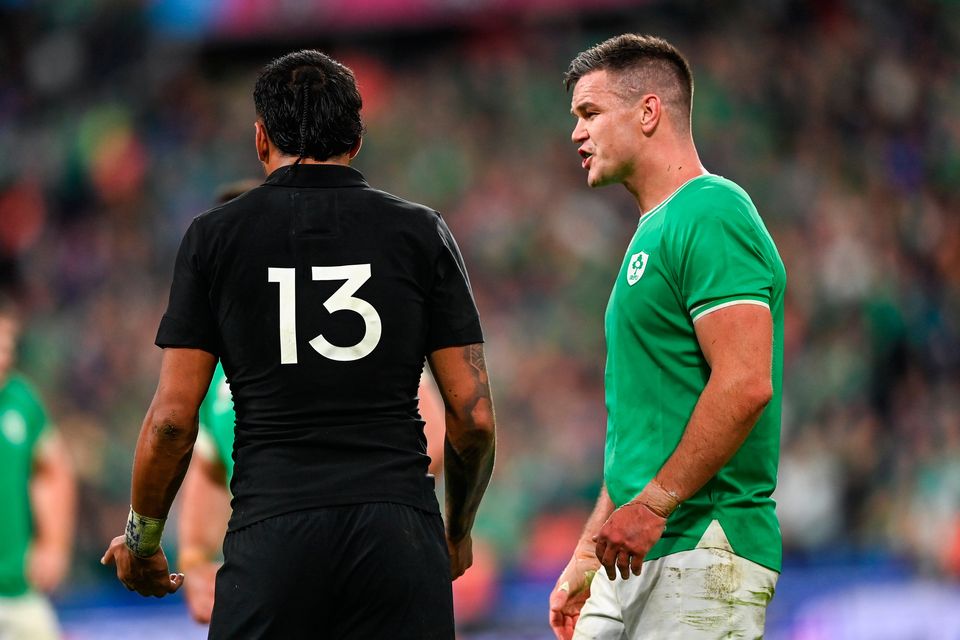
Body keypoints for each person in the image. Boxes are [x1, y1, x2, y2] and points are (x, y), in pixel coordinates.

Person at [101, 49, 496, 639]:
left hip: (273, 539)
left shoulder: (214, 238)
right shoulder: (421, 232)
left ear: (261, 139)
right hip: (397, 536)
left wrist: (142, 539)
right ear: (356, 139)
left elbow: (172, 422)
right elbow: (474, 419)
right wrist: (457, 529)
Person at [549, 34, 786, 639]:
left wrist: (653, 505)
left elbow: (745, 383)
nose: (577, 133)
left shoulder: (711, 211)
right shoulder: (652, 231)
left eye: (590, 113)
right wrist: (589, 549)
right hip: (635, 551)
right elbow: (645, 428)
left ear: (648, 112)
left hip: (704, 542)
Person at [0, 297, 77, 640]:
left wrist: (54, 544)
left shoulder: (21, 399)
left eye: (8, 344)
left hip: (17, 589)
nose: (5, 355)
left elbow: (54, 468)